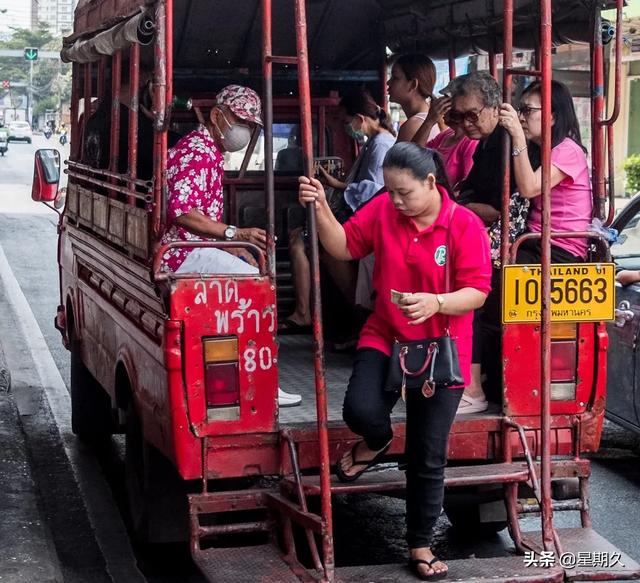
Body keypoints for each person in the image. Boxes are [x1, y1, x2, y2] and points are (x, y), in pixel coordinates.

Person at [299, 143, 491, 580]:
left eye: (403, 192)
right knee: (360, 410)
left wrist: (436, 302)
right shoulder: (385, 210)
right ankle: (377, 439)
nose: (395, 200)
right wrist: (321, 208)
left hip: (442, 346)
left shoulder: (464, 225)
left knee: (427, 454)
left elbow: (478, 291)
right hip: (386, 332)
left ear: (430, 183)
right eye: (390, 191)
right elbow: (345, 246)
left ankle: (420, 544)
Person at [281, 88, 396, 333]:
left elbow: (375, 190)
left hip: (362, 218)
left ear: (360, 119)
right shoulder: (373, 143)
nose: (347, 127)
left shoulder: (381, 145)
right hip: (356, 214)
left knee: (303, 244)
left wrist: (341, 188)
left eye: (347, 122)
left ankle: (313, 313)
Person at [449, 71, 526, 414]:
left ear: (495, 108)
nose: (465, 123)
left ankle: (473, 386)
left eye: (472, 114)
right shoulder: (483, 144)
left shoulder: (506, 144)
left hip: (501, 239)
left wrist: (459, 207)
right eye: (458, 116)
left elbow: (497, 208)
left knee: (467, 295)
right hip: (480, 232)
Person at [498, 80, 593, 263]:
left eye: (528, 110)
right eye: (520, 110)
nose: (521, 118)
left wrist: (518, 136)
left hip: (560, 250)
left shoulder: (568, 151)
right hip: (534, 240)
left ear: (552, 117)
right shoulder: (540, 150)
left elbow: (529, 188)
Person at [387, 53, 440, 143]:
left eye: (395, 78)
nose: (388, 82)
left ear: (413, 84)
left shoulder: (413, 126)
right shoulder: (424, 119)